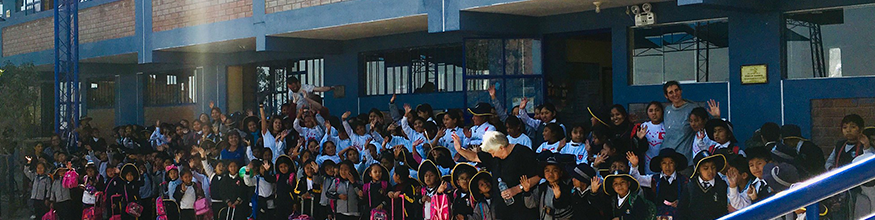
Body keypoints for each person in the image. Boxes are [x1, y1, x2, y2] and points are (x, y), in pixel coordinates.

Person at [452, 131, 540, 219]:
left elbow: (539, 175)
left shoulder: (522, 153)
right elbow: (474, 157)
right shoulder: (493, 156)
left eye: (493, 152)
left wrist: (517, 189)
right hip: (502, 210)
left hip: (523, 209)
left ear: (501, 147)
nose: (492, 156)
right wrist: (460, 149)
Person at [661, 81, 720, 165]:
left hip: (685, 159)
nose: (675, 94)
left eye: (676, 90)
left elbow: (707, 126)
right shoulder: (667, 110)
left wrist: (716, 117)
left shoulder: (692, 108)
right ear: (666, 96)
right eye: (671, 92)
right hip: (668, 158)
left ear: (681, 91)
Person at [628, 148, 689, 219]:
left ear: (676, 164)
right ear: (660, 165)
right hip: (658, 215)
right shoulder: (654, 179)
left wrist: (680, 202)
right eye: (664, 163)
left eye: (671, 163)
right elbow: (637, 179)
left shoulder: (684, 180)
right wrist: (634, 166)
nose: (667, 166)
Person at [521, 152, 574, 220]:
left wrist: (558, 198)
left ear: (561, 173)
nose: (550, 174)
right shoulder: (542, 188)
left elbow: (569, 213)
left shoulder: (566, 188)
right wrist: (527, 191)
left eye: (555, 171)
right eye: (547, 171)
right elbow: (531, 204)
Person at [678, 152, 728, 220]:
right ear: (698, 170)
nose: (710, 171)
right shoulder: (690, 187)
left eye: (713, 167)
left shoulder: (721, 185)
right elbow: (681, 212)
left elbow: (724, 210)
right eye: (705, 168)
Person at [632, 101, 666, 175]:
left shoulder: (666, 126)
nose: (654, 113)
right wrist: (640, 139)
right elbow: (640, 149)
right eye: (651, 111)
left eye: (657, 110)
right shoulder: (643, 127)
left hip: (665, 164)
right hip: (648, 165)